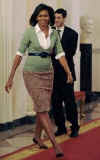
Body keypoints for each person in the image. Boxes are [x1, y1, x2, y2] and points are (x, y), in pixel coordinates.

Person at [5, 4, 73, 158]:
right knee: (43, 108)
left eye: (46, 15)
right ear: (36, 17)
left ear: (50, 17)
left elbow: (60, 54)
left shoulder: (54, 33)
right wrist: (10, 77)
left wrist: (68, 72)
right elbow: (19, 54)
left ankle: (37, 137)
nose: (43, 18)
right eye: (40, 16)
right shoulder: (29, 32)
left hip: (48, 73)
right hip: (31, 73)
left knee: (42, 107)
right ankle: (56, 145)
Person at [51, 8, 80, 137]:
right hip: (53, 74)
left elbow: (70, 53)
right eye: (55, 18)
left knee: (69, 102)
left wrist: (56, 53)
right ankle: (61, 127)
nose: (56, 20)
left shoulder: (73, 34)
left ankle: (74, 127)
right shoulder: (50, 32)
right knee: (56, 102)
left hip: (67, 73)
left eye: (58, 18)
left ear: (64, 18)